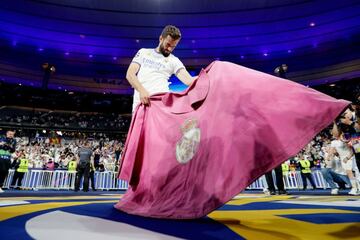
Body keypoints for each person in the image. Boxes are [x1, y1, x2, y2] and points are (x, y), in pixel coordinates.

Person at [126, 25, 197, 111]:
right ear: (161, 38)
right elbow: (130, 74)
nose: (170, 49)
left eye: (173, 46)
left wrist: (211, 73)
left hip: (161, 108)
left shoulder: (174, 60)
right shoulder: (143, 52)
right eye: (168, 44)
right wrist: (141, 90)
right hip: (140, 105)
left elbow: (189, 81)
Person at [331, 122, 360, 195]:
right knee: (351, 173)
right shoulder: (337, 140)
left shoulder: (346, 135)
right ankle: (356, 188)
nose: (333, 133)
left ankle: (355, 188)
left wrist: (348, 157)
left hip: (350, 156)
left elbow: (353, 147)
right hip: (345, 157)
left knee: (352, 173)